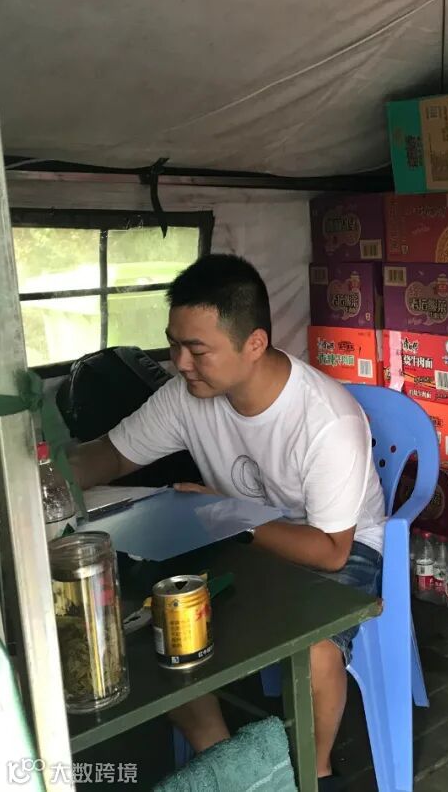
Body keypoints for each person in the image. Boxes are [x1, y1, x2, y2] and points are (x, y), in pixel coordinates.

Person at [70, 254, 384, 790]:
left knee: (316, 648)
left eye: (197, 350)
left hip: (340, 541)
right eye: (173, 344)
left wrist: (231, 515)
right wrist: (43, 478)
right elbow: (114, 455)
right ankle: (228, 762)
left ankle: (316, 774)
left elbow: (331, 551)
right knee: (159, 618)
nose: (180, 363)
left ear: (254, 344)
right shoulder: (186, 397)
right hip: (238, 527)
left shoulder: (326, 420)